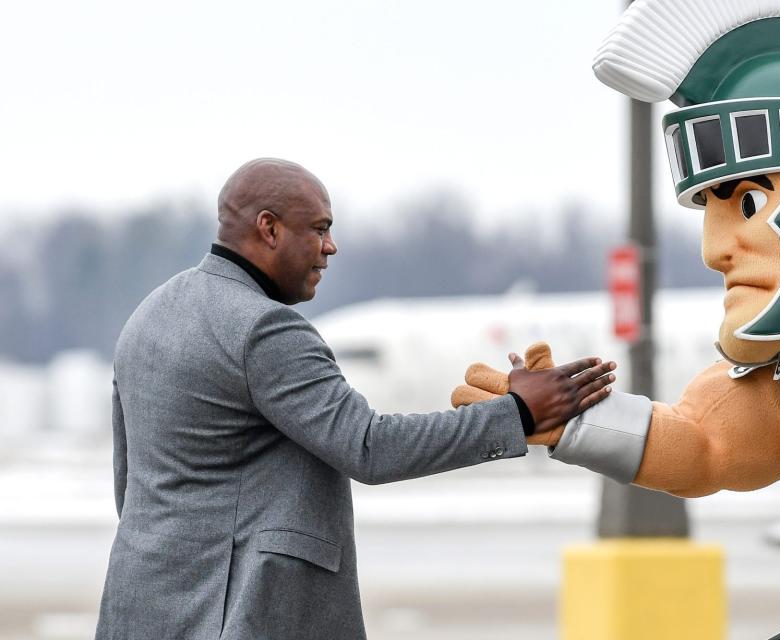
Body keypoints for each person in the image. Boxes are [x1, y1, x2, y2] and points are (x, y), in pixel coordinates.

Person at [455, 1, 780, 638]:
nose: (715, 248)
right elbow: (707, 445)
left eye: (749, 200)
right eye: (709, 212)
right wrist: (569, 418)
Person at [94, 157, 616, 640]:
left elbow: (131, 482)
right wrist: (518, 413)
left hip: (139, 607)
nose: (331, 247)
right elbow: (369, 446)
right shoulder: (265, 330)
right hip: (240, 614)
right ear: (269, 228)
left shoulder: (147, 317)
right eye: (319, 229)